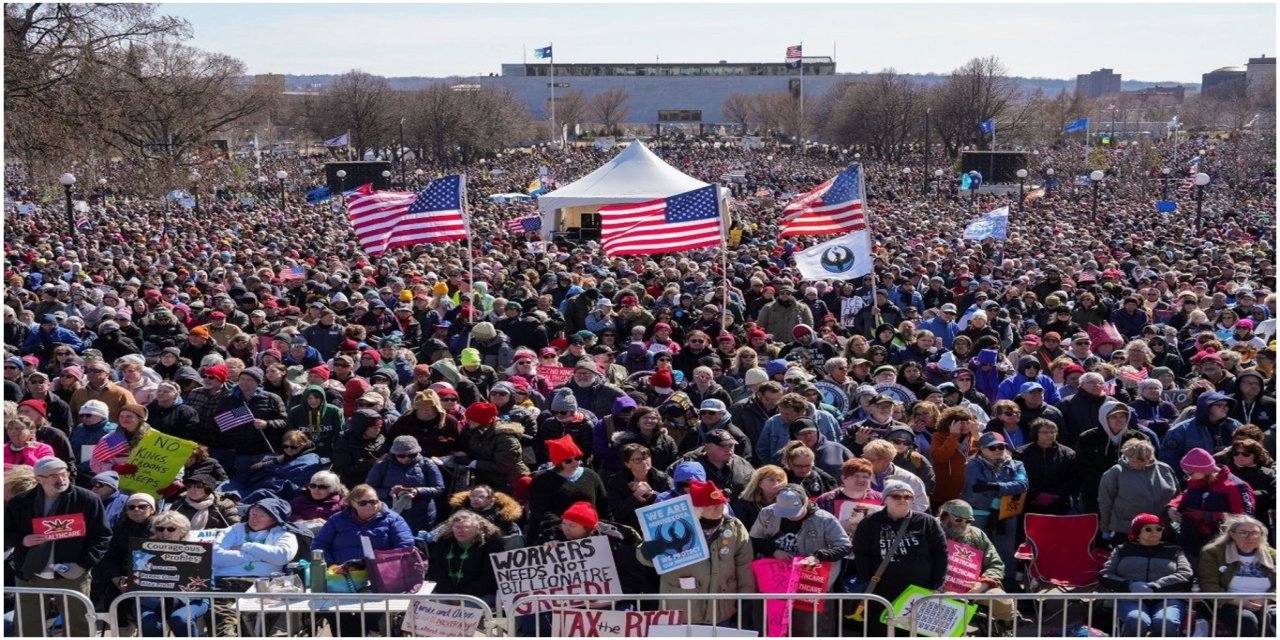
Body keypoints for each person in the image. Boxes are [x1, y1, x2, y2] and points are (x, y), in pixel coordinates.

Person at [4, 457, 111, 638]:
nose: (61, 479)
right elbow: (5, 532)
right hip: (30, 575)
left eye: (63, 473)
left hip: (72, 574)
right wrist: (23, 540)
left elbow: (102, 536)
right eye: (53, 476)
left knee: (78, 628)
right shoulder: (20, 501)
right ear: (39, 479)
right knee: (28, 628)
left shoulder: (87, 499)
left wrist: (83, 565)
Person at [638, 479, 756, 626]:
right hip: (682, 609)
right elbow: (644, 557)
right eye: (710, 504)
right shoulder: (674, 525)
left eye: (721, 503)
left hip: (721, 609)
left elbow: (744, 564)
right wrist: (648, 551)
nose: (718, 507)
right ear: (698, 508)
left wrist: (745, 598)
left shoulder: (734, 527)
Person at [749, 484, 850, 635]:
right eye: (785, 513)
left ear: (806, 502)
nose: (790, 517)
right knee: (770, 625)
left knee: (807, 628)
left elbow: (845, 546)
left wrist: (818, 556)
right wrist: (774, 551)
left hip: (811, 583)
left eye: (794, 512)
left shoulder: (824, 519)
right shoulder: (767, 513)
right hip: (775, 580)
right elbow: (753, 540)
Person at [851, 479, 949, 636]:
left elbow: (941, 554)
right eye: (896, 496)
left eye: (907, 496)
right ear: (885, 499)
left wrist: (937, 584)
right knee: (880, 632)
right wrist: (867, 579)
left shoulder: (927, 522)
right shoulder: (870, 522)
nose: (902, 500)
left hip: (919, 590)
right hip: (881, 590)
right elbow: (861, 553)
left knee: (913, 633)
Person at [210, 497, 299, 637]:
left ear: (274, 519)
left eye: (261, 516)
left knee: (253, 627)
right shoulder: (234, 530)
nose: (254, 519)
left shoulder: (283, 534)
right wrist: (259, 556)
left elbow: (282, 556)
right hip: (224, 583)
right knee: (223, 624)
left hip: (262, 585)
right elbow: (215, 557)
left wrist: (247, 546)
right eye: (253, 514)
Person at [1100, 513, 1193, 637]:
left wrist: (1156, 586)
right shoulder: (1122, 549)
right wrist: (1129, 585)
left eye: (1159, 529)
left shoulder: (1175, 550)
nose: (1155, 532)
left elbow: (1186, 573)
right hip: (1130, 598)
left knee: (1166, 621)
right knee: (1137, 620)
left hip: (1168, 599)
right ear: (1137, 532)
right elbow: (1106, 574)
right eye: (1148, 529)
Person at [1168, 448, 1257, 568]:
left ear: (1204, 469)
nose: (1188, 477)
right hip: (1190, 544)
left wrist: (1208, 516)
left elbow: (1245, 519)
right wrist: (1173, 506)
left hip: (1220, 548)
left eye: (1190, 473)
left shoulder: (1236, 487)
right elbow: (1186, 494)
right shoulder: (1197, 480)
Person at [962, 432, 1029, 591]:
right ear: (981, 449)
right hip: (979, 513)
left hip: (1006, 514)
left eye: (1001, 447)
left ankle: (1008, 585)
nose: (998, 450)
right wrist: (1007, 488)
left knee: (1006, 551)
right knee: (975, 551)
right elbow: (976, 486)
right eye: (992, 448)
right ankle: (973, 586)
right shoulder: (973, 464)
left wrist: (996, 486)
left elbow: (1023, 485)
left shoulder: (1017, 464)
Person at [937, 499, 1016, 632]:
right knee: (953, 602)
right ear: (944, 516)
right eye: (958, 520)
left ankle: (1006, 629)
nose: (963, 524)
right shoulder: (931, 531)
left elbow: (995, 563)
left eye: (968, 521)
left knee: (1003, 601)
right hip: (940, 588)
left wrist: (982, 585)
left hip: (976, 586)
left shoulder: (976, 534)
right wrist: (938, 586)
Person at [1196, 515, 1276, 637]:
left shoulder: (1273, 555)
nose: (1250, 537)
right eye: (1243, 533)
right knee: (1247, 621)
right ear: (1232, 534)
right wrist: (1236, 601)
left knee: (1275, 617)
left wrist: (1267, 599)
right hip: (1228, 603)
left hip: (1266, 602)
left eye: (1255, 533)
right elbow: (1208, 584)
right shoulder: (1213, 553)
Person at [136, 511, 211, 637]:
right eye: (160, 529)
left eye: (171, 529)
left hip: (190, 601)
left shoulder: (199, 551)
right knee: (151, 624)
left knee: (180, 620)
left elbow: (207, 582)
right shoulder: (143, 551)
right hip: (151, 601)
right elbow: (136, 576)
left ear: (183, 531)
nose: (164, 533)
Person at [526, 434, 611, 541]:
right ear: (558, 463)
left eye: (577, 458)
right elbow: (541, 510)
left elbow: (603, 505)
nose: (575, 463)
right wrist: (566, 528)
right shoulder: (541, 479)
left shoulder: (591, 475)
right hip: (554, 536)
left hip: (590, 533)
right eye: (568, 461)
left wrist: (603, 529)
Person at [1098, 439, 1179, 543]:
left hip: (1162, 529)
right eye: (1132, 461)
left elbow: (1177, 497)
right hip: (1127, 530)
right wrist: (1105, 528)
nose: (1136, 464)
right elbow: (1105, 502)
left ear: (1150, 457)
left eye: (1142, 461)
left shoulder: (1165, 469)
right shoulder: (1116, 472)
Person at [1076, 401, 1150, 514]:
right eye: (1114, 417)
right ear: (1104, 418)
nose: (1119, 420)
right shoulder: (1087, 438)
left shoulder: (1139, 438)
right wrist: (1107, 485)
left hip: (1130, 494)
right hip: (1096, 494)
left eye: (1122, 416)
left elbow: (1148, 464)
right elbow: (1083, 467)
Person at [366, 435, 446, 532]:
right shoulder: (382, 465)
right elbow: (369, 489)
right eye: (401, 455)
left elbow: (439, 488)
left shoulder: (427, 464)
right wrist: (389, 492)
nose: (406, 458)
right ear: (394, 453)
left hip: (422, 516)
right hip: (392, 513)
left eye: (411, 455)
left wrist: (417, 491)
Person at [425, 509, 506, 605]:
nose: (461, 531)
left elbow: (490, 577)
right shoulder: (444, 543)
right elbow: (435, 570)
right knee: (429, 606)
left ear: (477, 528)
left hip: (479, 595)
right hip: (445, 593)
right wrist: (450, 594)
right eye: (457, 527)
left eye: (466, 527)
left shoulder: (492, 545)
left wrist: (463, 596)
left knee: (466, 610)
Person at [97, 492, 157, 613]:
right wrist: (117, 580)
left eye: (142, 506)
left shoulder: (163, 529)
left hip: (155, 580)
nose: (136, 509)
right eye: (131, 507)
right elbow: (109, 558)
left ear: (152, 510)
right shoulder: (117, 531)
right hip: (122, 579)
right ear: (126, 511)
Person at [454, 403, 528, 495]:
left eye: (470, 419)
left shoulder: (505, 438)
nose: (467, 421)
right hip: (488, 480)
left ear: (482, 421)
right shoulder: (476, 431)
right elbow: (481, 451)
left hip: (508, 483)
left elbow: (502, 467)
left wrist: (471, 462)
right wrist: (466, 455)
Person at [1014, 418, 1079, 516]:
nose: (1050, 435)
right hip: (1030, 505)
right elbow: (1018, 478)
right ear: (1036, 433)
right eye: (1045, 432)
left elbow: (1074, 479)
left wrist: (1055, 495)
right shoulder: (1021, 454)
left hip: (1060, 505)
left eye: (1053, 432)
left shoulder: (1068, 454)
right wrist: (1035, 495)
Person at [242, 429, 325, 501]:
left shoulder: (310, 459)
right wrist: (264, 464)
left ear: (303, 445)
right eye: (285, 446)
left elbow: (287, 474)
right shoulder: (285, 456)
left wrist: (270, 471)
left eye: (293, 447)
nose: (289, 449)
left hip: (292, 495)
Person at [605, 443, 672, 533]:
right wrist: (635, 496)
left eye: (646, 457)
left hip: (662, 527)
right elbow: (618, 513)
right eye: (638, 460)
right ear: (627, 464)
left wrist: (651, 493)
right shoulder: (616, 482)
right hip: (632, 532)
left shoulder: (663, 478)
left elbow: (673, 504)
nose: (644, 462)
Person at [331, 408, 387, 490]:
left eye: (379, 427)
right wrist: (373, 463)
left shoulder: (380, 439)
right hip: (354, 486)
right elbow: (344, 468)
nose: (378, 430)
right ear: (362, 427)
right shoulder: (345, 441)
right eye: (374, 428)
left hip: (378, 484)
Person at [285, 384, 344, 458]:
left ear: (322, 398)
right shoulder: (294, 412)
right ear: (305, 398)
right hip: (303, 451)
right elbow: (291, 434)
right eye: (310, 398)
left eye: (317, 398)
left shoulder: (334, 411)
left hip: (328, 450)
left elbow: (339, 433)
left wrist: (337, 452)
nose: (313, 401)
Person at [171, 473, 241, 531]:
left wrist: (214, 532)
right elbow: (168, 527)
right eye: (189, 486)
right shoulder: (179, 504)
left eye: (198, 486)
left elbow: (235, 529)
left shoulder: (224, 504)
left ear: (208, 489)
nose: (192, 489)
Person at [731, 464, 787, 531]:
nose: (776, 483)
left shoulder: (786, 501)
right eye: (771, 480)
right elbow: (739, 529)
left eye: (779, 480)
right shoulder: (745, 503)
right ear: (759, 483)